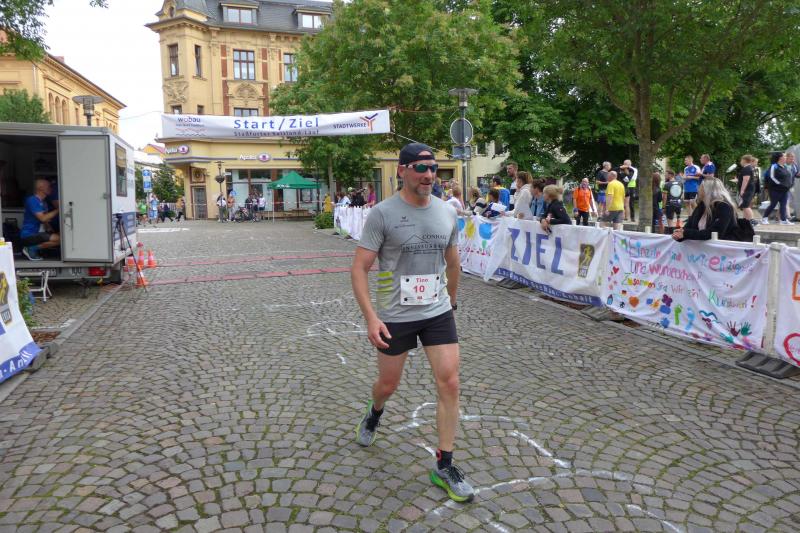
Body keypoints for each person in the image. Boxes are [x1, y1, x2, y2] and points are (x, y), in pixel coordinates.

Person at [352, 142, 474, 503]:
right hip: (395, 315)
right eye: (421, 168)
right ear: (402, 171)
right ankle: (374, 413)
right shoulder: (382, 214)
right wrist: (371, 318)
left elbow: (453, 262)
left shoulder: (447, 212)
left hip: (437, 311)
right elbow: (359, 268)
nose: (429, 175)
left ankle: (444, 465)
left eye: (433, 168)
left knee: (450, 382)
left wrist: (451, 302)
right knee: (388, 384)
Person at [672, 178, 739, 241]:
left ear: (708, 190)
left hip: (723, 247)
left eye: (701, 187)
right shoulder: (701, 206)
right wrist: (679, 234)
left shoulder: (724, 207)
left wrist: (686, 233)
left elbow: (715, 233)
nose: (698, 189)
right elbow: (689, 226)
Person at [20, 178, 60, 261]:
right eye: (48, 186)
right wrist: (59, 209)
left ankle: (34, 249)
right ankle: (31, 248)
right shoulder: (32, 200)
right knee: (61, 240)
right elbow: (43, 218)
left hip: (39, 233)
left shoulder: (43, 202)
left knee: (61, 236)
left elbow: (46, 221)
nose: (51, 188)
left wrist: (50, 229)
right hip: (29, 235)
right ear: (41, 188)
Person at [761, 151, 794, 225]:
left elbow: (787, 177)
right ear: (780, 158)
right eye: (784, 156)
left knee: (783, 205)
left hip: (785, 190)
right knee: (773, 204)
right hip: (775, 190)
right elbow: (771, 177)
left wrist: (788, 185)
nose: (786, 157)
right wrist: (780, 184)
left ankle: (783, 220)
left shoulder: (784, 166)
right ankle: (764, 218)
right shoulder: (774, 166)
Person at [736, 154, 757, 222]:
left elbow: (746, 180)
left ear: (744, 160)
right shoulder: (750, 168)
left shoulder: (746, 168)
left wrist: (742, 190)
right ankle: (746, 221)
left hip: (747, 190)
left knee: (745, 205)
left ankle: (752, 221)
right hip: (749, 189)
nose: (740, 162)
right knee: (744, 206)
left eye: (741, 160)